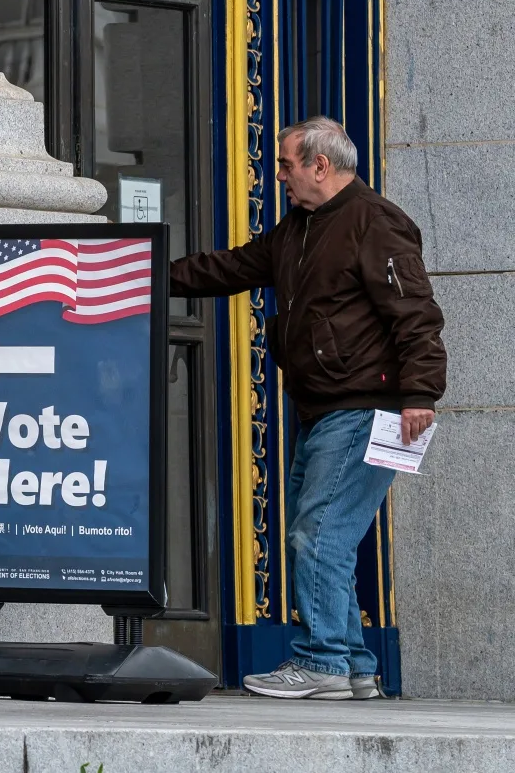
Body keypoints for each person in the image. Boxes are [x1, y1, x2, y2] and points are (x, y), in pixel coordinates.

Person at [170, 115, 446, 701]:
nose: (278, 175)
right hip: (322, 409)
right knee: (325, 536)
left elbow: (416, 313)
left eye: (287, 164)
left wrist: (421, 393)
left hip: (367, 407)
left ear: (321, 165)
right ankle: (353, 667)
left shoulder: (375, 222)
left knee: (315, 535)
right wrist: (149, 273)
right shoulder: (298, 227)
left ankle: (320, 663)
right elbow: (233, 267)